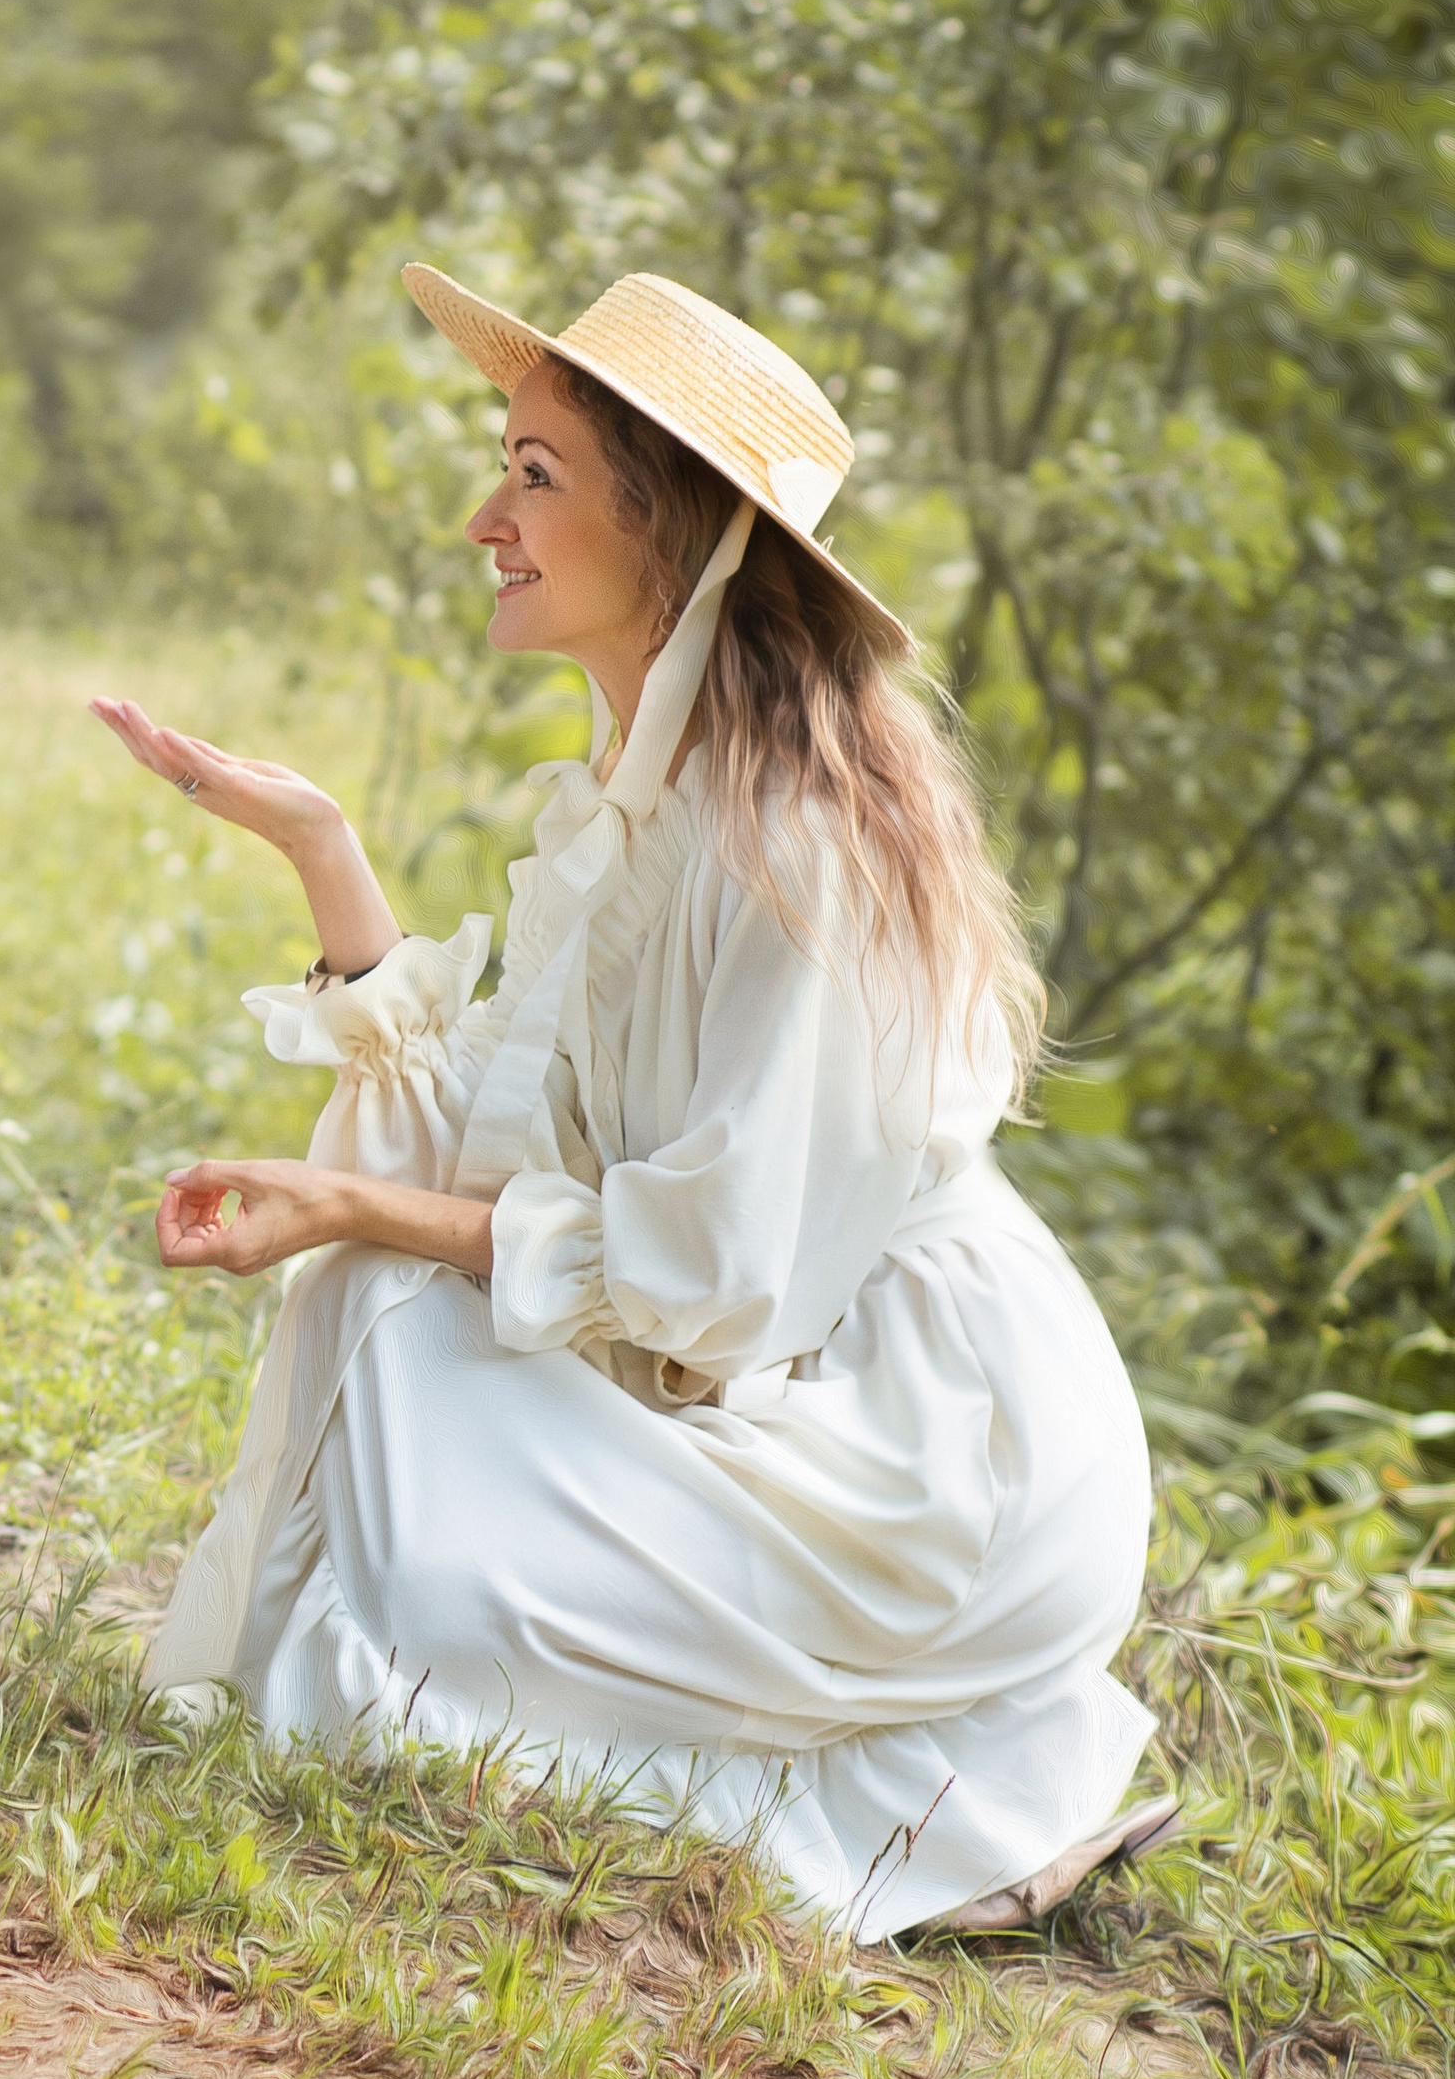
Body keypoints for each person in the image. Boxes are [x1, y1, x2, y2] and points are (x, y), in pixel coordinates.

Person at [93, 266, 1167, 1940]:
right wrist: (326, 852)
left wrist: (357, 1208)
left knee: (402, 1419)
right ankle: (883, 1789)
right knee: (386, 1384)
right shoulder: (639, 811)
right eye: (503, 465)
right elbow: (508, 1140)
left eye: (535, 475)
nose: (483, 517)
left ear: (673, 531)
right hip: (777, 1368)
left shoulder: (796, 845)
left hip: (932, 1446)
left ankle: (959, 1789)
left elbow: (713, 1283)